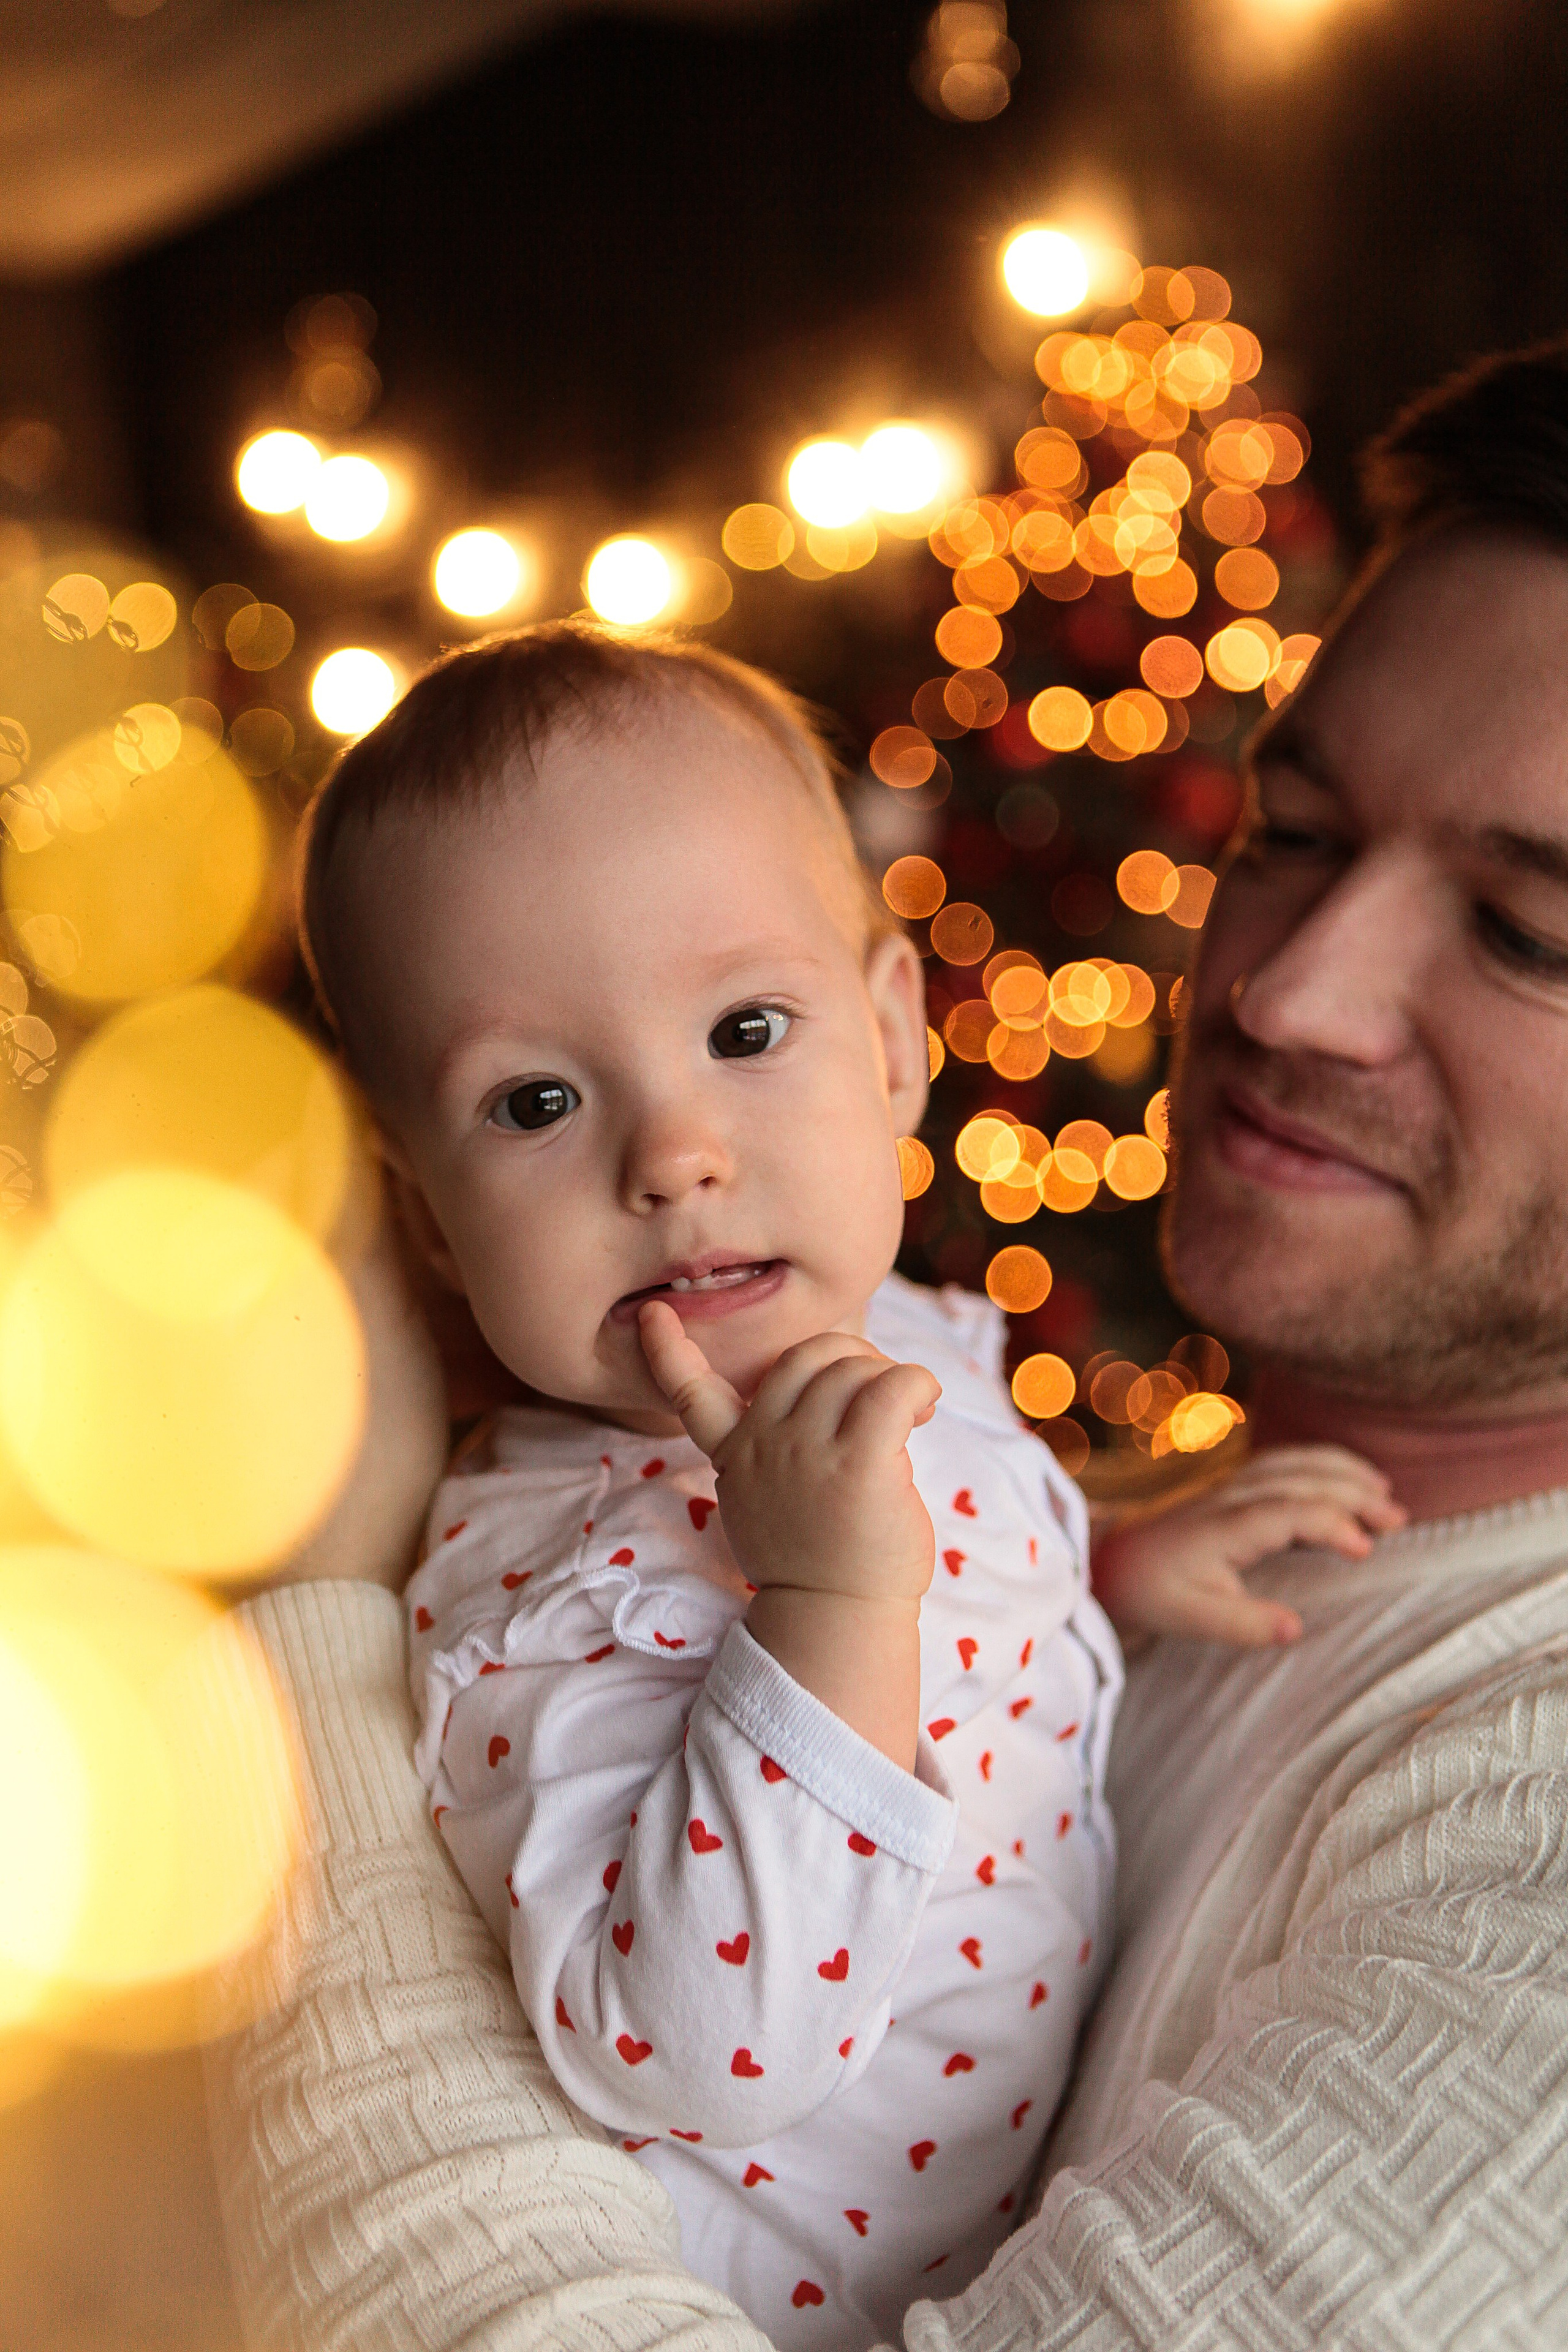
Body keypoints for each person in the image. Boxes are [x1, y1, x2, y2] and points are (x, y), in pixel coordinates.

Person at [206, 337, 1568, 2352]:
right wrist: (1099, 1568)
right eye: (1289, 827)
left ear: (894, 1033)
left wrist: (307, 1631)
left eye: (1533, 934)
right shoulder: (659, 1518)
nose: (1287, 994)